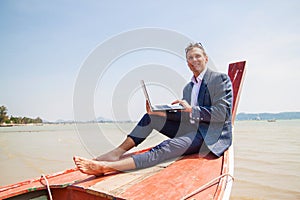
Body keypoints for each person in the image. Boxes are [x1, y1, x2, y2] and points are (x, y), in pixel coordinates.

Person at [73, 42, 233, 176]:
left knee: (166, 146)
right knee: (150, 117)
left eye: (197, 56)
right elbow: (188, 116)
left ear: (206, 58)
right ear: (187, 63)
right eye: (190, 58)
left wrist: (191, 109)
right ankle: (116, 153)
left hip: (209, 135)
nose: (194, 60)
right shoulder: (188, 88)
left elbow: (223, 114)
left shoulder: (219, 79)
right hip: (191, 128)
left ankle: (105, 168)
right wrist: (161, 112)